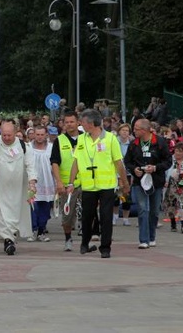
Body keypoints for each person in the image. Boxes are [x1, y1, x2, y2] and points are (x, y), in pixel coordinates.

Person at [67, 109, 129, 259]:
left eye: (82, 122)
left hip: (106, 185)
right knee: (87, 216)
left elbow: (118, 163)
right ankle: (84, 242)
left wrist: (124, 182)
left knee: (106, 217)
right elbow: (76, 161)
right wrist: (71, 182)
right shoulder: (82, 139)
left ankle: (105, 247)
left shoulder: (110, 139)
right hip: (88, 185)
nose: (81, 125)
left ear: (91, 124)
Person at [0, 121, 37, 256]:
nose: (7, 138)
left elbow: (30, 166)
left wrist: (32, 183)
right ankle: (8, 241)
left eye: (9, 135)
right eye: (4, 135)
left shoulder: (24, 147)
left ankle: (10, 238)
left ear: (15, 133)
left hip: (18, 189)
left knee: (15, 216)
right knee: (2, 216)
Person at [124, 119, 171, 249]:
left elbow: (168, 161)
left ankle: (151, 236)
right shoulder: (134, 144)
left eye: (136, 129)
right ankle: (143, 239)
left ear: (144, 130)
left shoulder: (160, 142)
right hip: (140, 181)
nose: (134, 131)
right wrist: (134, 170)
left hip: (156, 181)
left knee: (154, 211)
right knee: (143, 209)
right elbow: (127, 161)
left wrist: (155, 168)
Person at [50, 111, 82, 252]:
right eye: (66, 122)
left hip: (86, 182)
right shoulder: (60, 140)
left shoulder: (86, 138)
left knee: (89, 211)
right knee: (67, 215)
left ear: (78, 122)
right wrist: (59, 182)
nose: (69, 124)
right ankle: (68, 238)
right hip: (66, 184)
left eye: (72, 122)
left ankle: (87, 237)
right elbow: (55, 163)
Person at [27, 126, 55, 242]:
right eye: (37, 134)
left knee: (45, 207)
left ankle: (41, 230)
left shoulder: (51, 148)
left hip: (48, 181)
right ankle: (33, 229)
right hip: (33, 183)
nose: (39, 137)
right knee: (34, 207)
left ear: (46, 135)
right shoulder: (28, 148)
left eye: (42, 135)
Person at [114, 123, 133, 226]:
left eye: (127, 131)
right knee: (116, 195)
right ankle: (115, 215)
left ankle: (126, 218)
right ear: (119, 131)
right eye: (123, 130)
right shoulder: (115, 142)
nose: (125, 132)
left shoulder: (131, 144)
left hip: (128, 173)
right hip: (115, 173)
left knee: (126, 195)